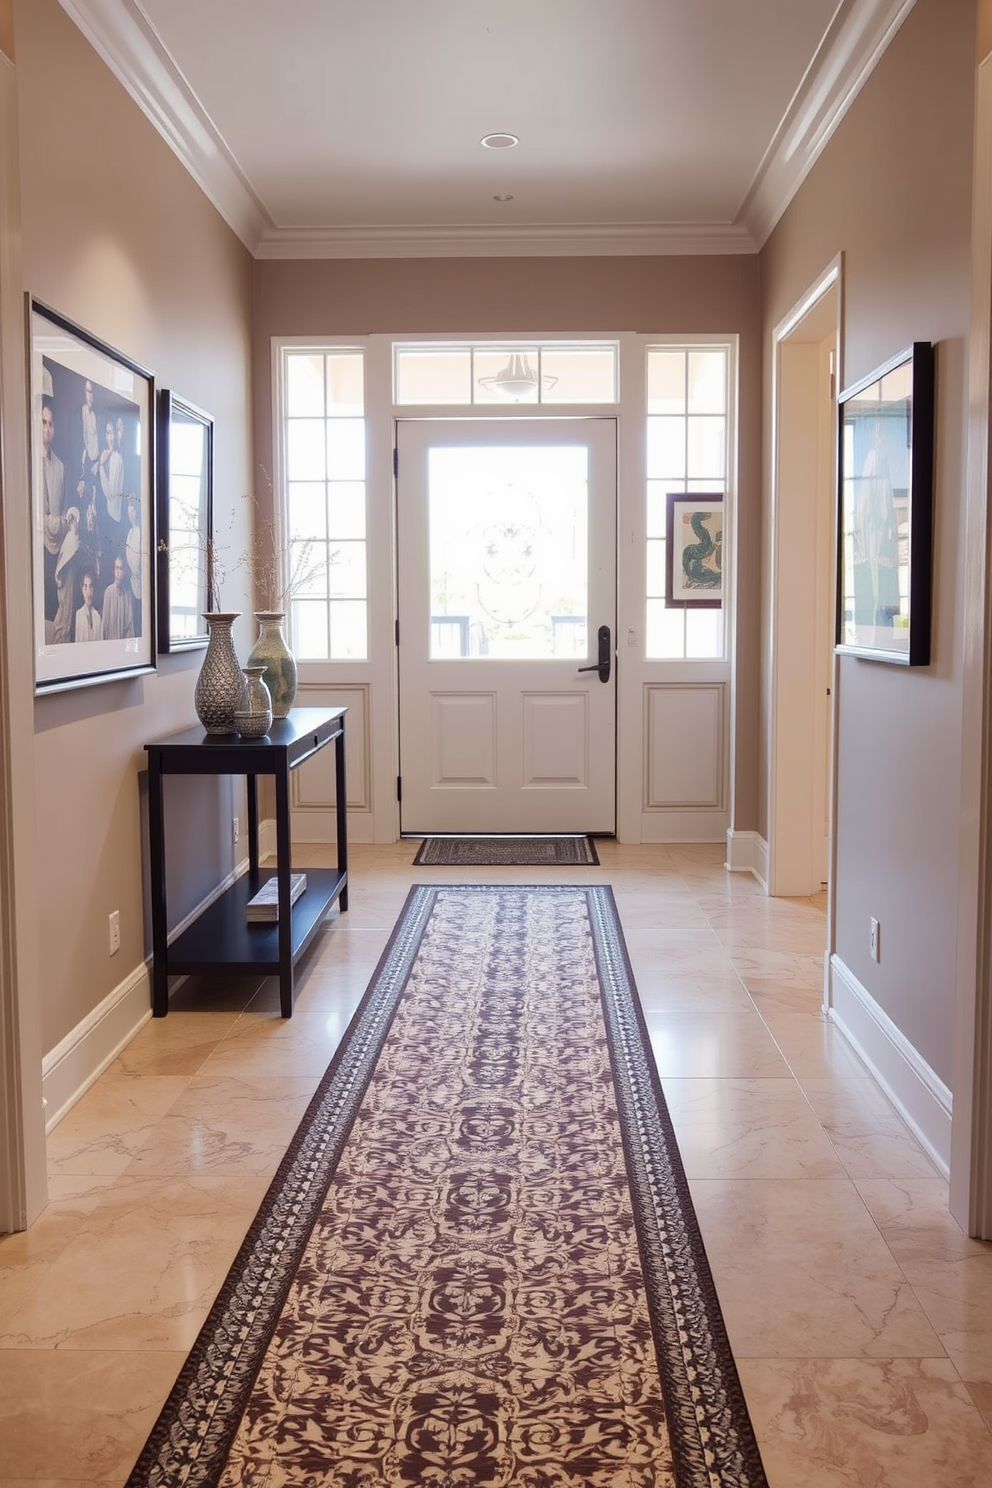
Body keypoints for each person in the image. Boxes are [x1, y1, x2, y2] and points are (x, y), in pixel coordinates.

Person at [41, 400, 65, 622]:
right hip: (39, 543)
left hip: (57, 541)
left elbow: (63, 503)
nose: (47, 428)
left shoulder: (59, 466)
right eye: (43, 423)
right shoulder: (30, 461)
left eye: (50, 424)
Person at [102, 554, 134, 640]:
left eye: (120, 568)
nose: (118, 572)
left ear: (124, 571)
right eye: (116, 568)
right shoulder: (108, 592)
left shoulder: (127, 595)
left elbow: (129, 627)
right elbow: (105, 624)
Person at [125, 495, 142, 636]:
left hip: (139, 582)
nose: (131, 514)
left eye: (133, 511)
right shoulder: (130, 533)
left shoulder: (139, 533)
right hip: (132, 582)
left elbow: (136, 564)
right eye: (129, 511)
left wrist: (134, 571)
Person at [74, 568, 102, 642]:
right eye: (85, 586)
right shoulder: (79, 615)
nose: (88, 592)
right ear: (81, 588)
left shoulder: (98, 617)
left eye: (90, 587)